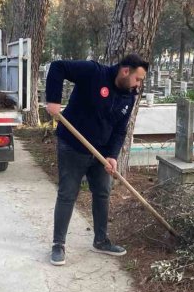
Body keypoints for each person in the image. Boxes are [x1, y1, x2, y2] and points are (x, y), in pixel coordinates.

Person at [45, 54, 149, 266]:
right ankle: (58, 244)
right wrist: (53, 100)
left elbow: (120, 130)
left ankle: (101, 241)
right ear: (125, 71)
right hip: (73, 146)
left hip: (100, 153)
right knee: (68, 193)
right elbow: (58, 67)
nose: (138, 84)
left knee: (102, 192)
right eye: (137, 79)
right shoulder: (94, 72)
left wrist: (112, 155)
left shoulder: (128, 97)